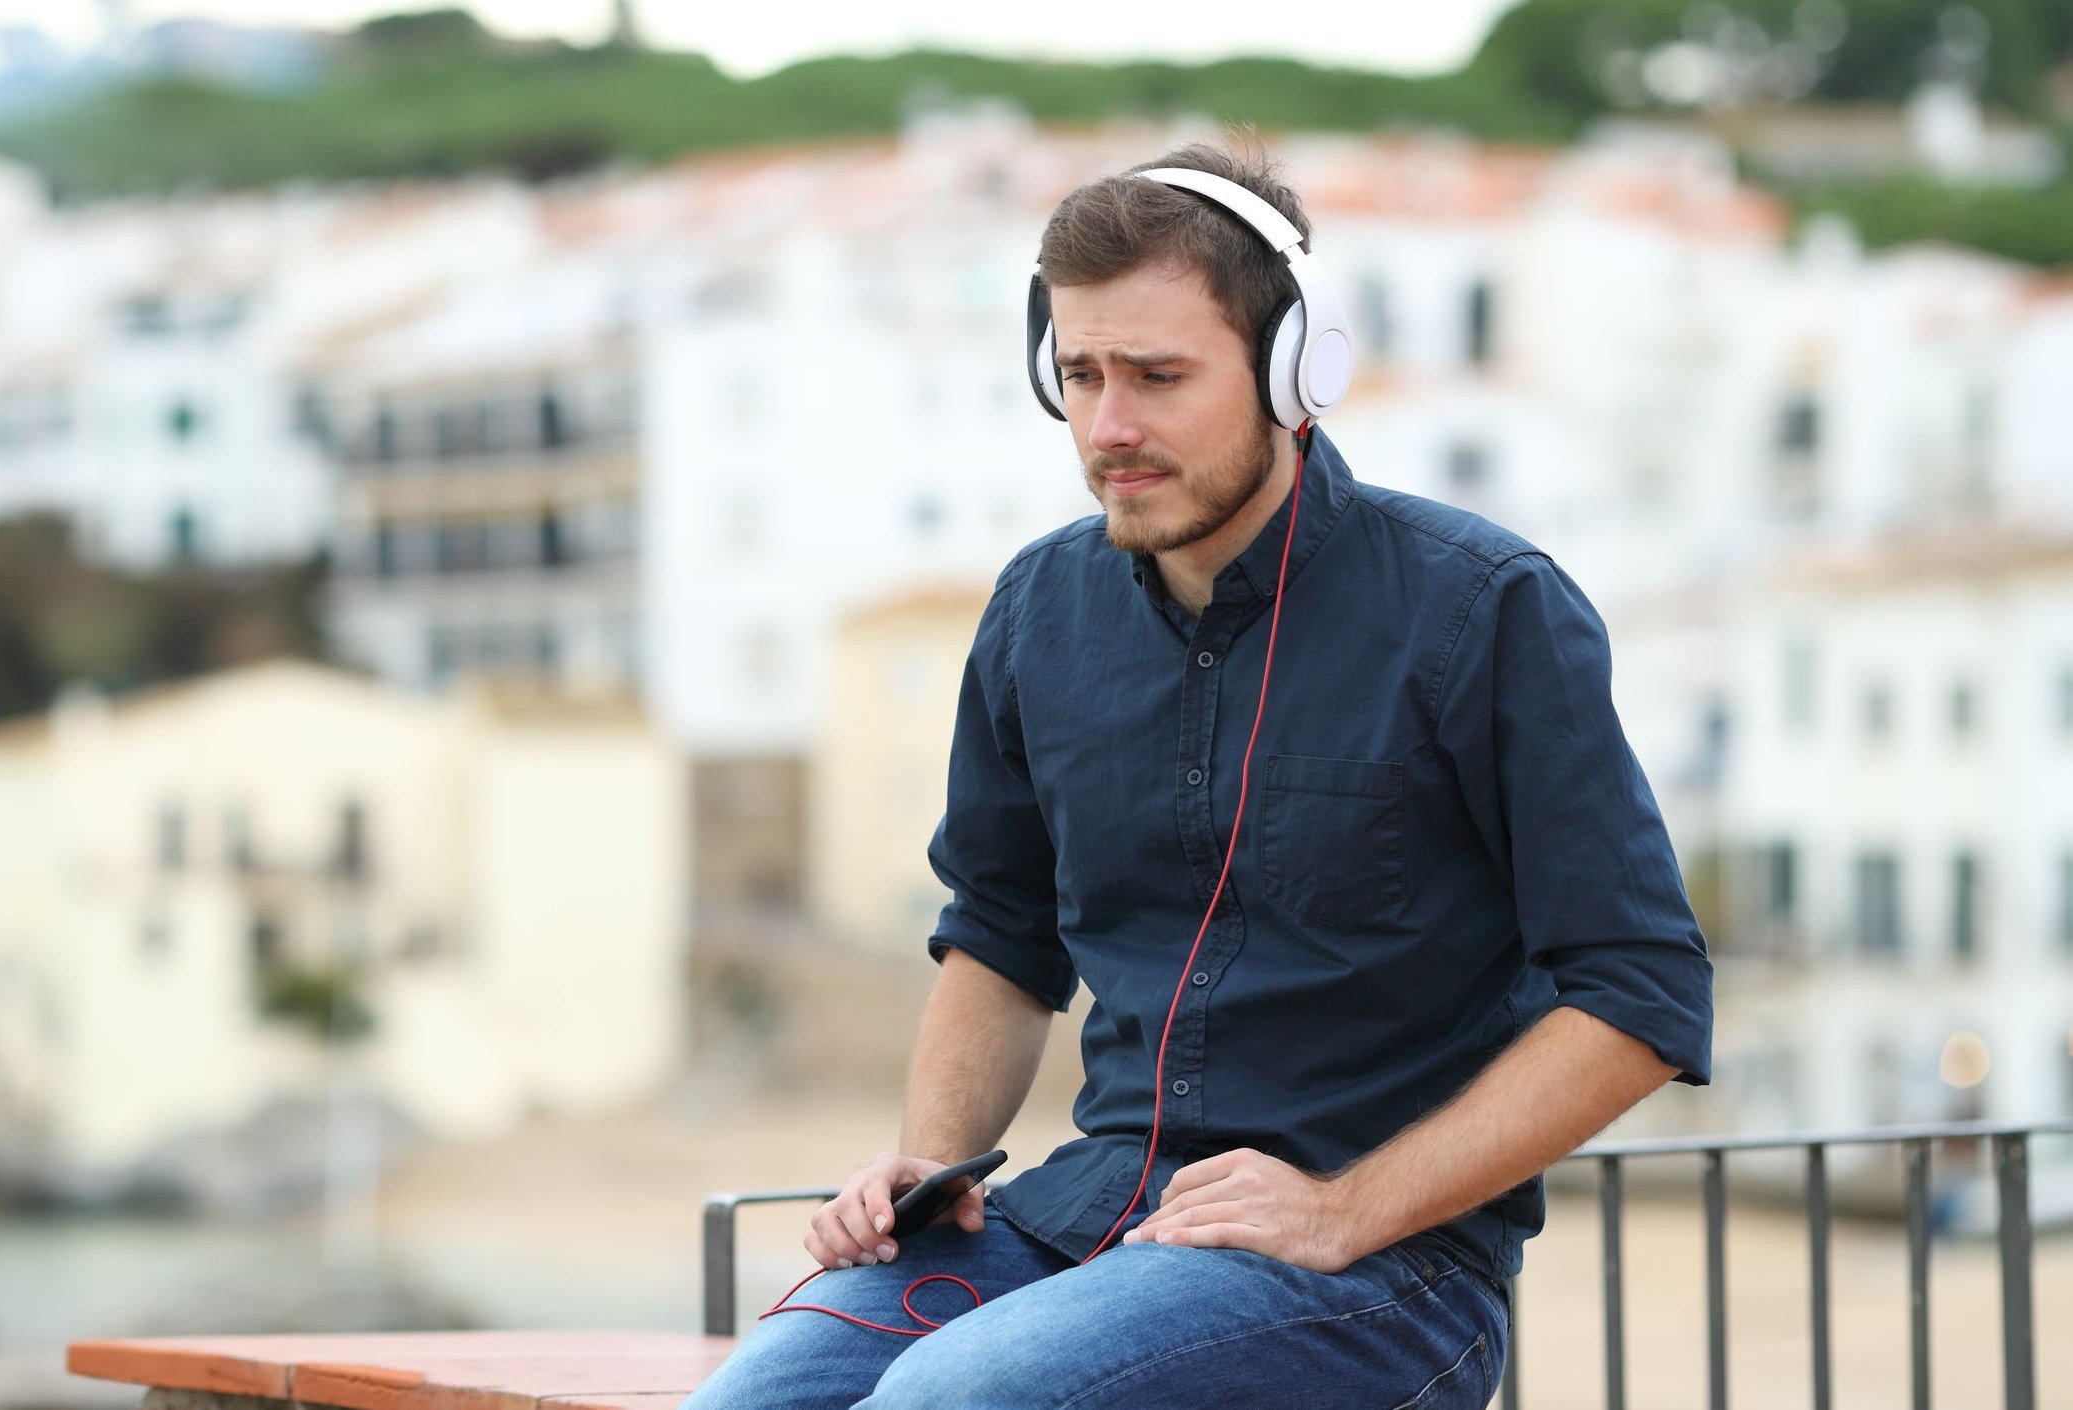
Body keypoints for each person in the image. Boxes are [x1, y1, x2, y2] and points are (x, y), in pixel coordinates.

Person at [680, 138, 1713, 1410]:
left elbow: (1642, 992)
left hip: (1378, 1274)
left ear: (1297, 371)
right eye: (1080, 375)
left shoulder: (1484, 609)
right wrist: (925, 1174)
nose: (1110, 428)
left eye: (1160, 378)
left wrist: (1347, 1207)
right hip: (1077, 1223)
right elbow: (1002, 942)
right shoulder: (1035, 610)